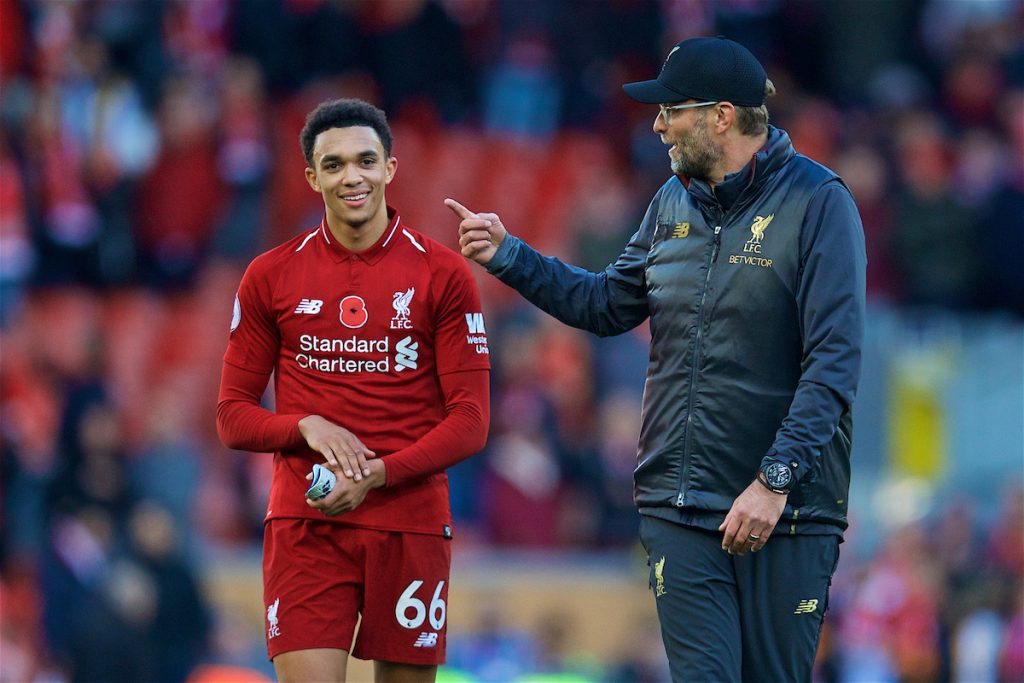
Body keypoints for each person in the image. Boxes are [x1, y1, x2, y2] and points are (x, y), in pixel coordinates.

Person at [447, 36, 866, 683]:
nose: (658, 124)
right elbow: (608, 304)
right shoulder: (672, 201)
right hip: (680, 502)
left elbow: (833, 363)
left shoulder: (821, 203)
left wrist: (773, 480)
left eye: (673, 108)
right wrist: (511, 256)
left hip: (789, 510)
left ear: (722, 116)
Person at [217, 98, 490, 683]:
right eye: (334, 165)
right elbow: (232, 416)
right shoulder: (270, 275)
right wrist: (303, 426)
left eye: (365, 160)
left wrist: (378, 474)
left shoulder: (443, 274)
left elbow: (472, 421)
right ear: (312, 177)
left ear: (390, 168)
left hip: (409, 520)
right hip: (307, 521)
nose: (352, 177)